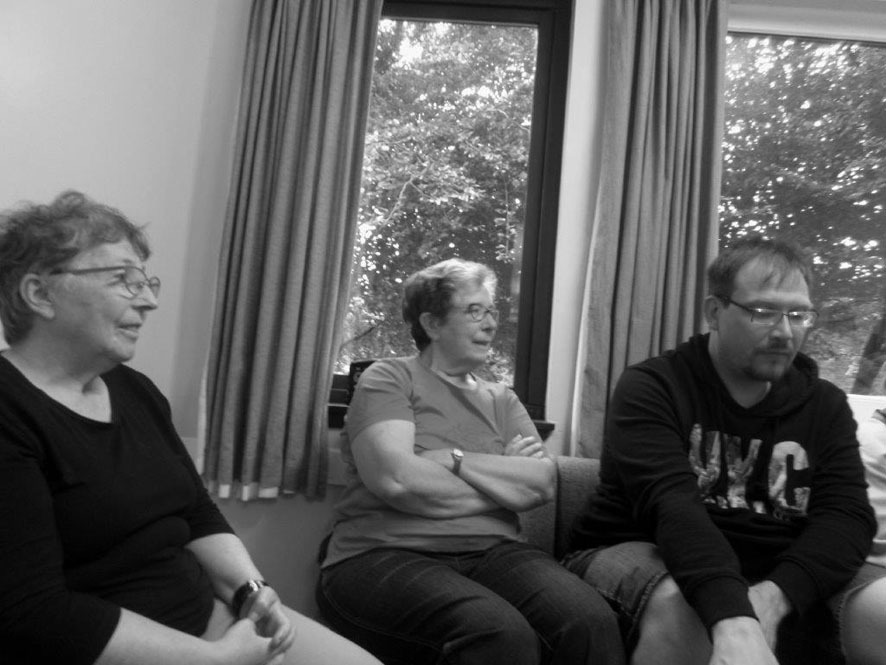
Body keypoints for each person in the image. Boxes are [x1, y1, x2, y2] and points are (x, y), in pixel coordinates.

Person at [0, 190, 381, 665]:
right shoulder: (9, 409)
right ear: (39, 294)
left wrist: (250, 592)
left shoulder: (134, 390)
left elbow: (196, 511)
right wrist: (215, 660)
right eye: (122, 280)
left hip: (213, 621)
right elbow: (35, 614)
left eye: (146, 281)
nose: (148, 301)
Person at [564, 236, 886, 665]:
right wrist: (733, 616)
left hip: (776, 567)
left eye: (798, 315)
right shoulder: (653, 386)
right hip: (639, 547)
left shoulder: (825, 404)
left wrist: (774, 596)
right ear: (714, 312)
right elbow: (672, 508)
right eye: (763, 312)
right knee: (688, 611)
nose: (784, 332)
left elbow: (847, 517)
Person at [316, 258, 625, 665]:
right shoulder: (389, 378)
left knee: (590, 620)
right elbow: (398, 481)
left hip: (495, 551)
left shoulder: (503, 399)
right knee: (498, 633)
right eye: (475, 311)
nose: (492, 324)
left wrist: (452, 459)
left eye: (492, 311)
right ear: (432, 323)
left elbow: (541, 484)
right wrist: (501, 484)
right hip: (381, 552)